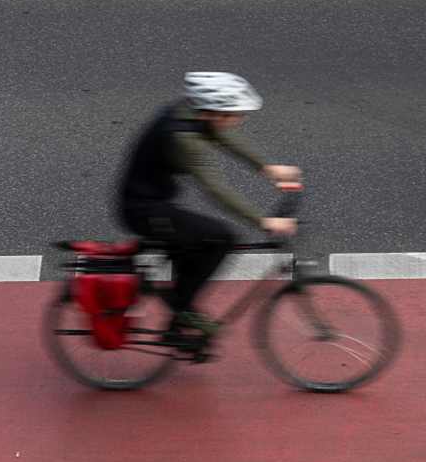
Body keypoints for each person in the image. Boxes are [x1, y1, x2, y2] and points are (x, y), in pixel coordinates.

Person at [116, 72, 302, 337]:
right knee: (221, 238)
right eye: (236, 114)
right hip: (143, 210)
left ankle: (179, 315)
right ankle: (182, 309)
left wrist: (267, 168)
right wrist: (264, 221)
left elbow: (223, 137)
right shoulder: (184, 138)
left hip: (152, 200)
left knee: (196, 243)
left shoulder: (192, 111)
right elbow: (215, 187)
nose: (240, 119)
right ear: (214, 112)